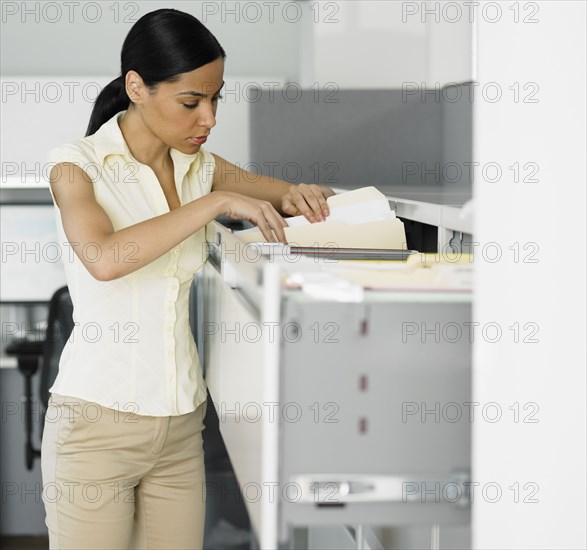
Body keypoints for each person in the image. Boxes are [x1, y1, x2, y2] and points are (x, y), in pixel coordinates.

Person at [41, 8, 334, 550]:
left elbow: (290, 194)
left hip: (181, 427)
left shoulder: (199, 168)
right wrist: (217, 202)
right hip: (95, 428)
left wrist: (310, 198)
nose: (209, 118)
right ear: (137, 87)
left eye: (217, 97)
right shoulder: (75, 165)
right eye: (191, 102)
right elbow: (105, 257)